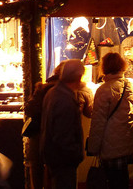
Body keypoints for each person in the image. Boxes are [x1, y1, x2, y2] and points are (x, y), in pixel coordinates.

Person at [87, 52, 133, 189]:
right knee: (122, 178)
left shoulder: (104, 90)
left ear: (104, 67)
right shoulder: (131, 85)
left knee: (112, 180)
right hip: (126, 141)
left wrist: (93, 147)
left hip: (109, 143)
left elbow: (98, 122)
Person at [41, 59, 92, 189]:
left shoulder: (54, 92)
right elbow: (63, 135)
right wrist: (75, 155)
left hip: (55, 156)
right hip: (63, 159)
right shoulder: (64, 99)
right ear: (79, 76)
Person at [24, 61, 64, 189]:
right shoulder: (66, 90)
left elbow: (29, 109)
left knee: (36, 167)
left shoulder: (42, 88)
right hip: (55, 135)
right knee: (55, 170)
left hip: (37, 133)